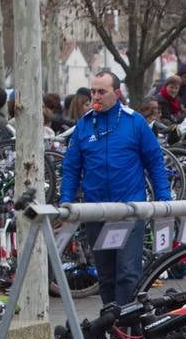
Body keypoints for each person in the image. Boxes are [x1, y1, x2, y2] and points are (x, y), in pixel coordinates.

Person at [59, 69, 171, 307]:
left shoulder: (135, 123)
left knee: (128, 273)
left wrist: (164, 200)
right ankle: (111, 326)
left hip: (129, 212)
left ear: (117, 94)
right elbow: (71, 168)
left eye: (102, 91)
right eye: (93, 91)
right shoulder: (84, 125)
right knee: (107, 276)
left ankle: (128, 327)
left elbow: (155, 161)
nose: (95, 96)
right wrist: (66, 202)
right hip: (96, 212)